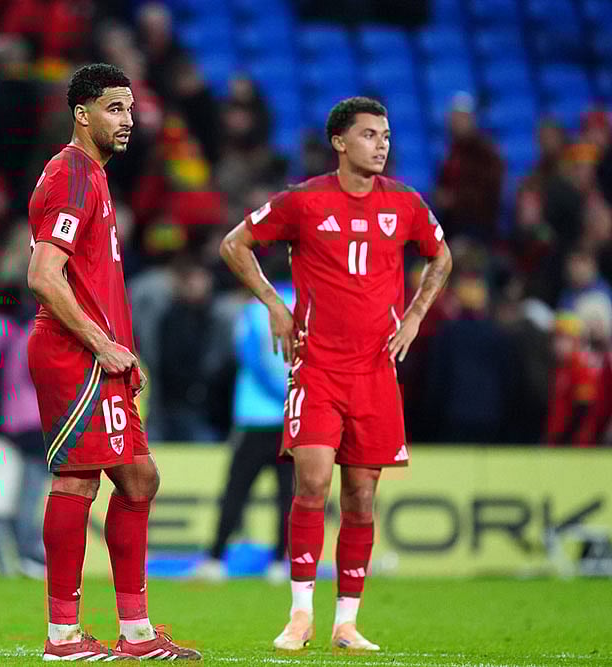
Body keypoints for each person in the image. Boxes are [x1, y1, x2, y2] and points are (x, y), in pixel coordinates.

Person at [219, 97, 453, 652]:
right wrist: (276, 304)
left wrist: (415, 316)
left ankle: (346, 622)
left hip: (375, 371)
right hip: (318, 366)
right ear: (340, 142)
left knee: (362, 499)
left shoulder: (406, 203)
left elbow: (441, 258)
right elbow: (235, 245)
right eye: (370, 134)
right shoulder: (304, 201)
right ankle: (300, 613)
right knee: (313, 483)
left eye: (387, 135)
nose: (382, 144)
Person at [26, 63, 201, 661]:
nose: (129, 120)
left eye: (130, 109)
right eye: (114, 109)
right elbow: (43, 276)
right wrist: (101, 345)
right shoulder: (73, 174)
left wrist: (118, 350)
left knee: (139, 477)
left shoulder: (93, 177)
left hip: (100, 356)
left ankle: (135, 633)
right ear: (82, 113)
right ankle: (63, 638)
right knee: (77, 479)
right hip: (72, 352)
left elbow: (86, 279)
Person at [192, 280, 295, 584]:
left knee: (235, 492)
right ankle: (279, 562)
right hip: (291, 417)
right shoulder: (305, 308)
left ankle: (215, 559)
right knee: (287, 495)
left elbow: (248, 357)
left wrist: (276, 392)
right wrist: (291, 396)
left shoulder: (253, 310)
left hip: (254, 415)